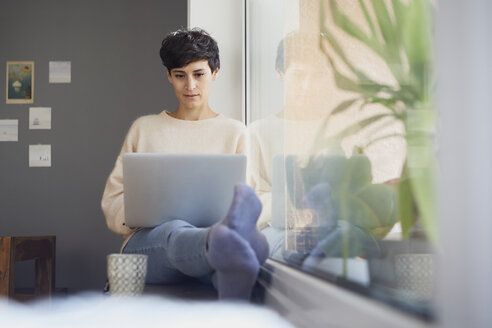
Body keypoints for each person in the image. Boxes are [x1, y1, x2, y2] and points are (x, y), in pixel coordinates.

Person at [101, 28, 268, 300]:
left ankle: (221, 258)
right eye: (180, 76)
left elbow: (248, 199)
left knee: (219, 259)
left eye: (199, 74)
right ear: (169, 76)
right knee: (173, 232)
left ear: (215, 73)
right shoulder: (145, 129)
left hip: (210, 244)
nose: (190, 86)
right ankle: (219, 244)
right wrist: (144, 215)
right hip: (151, 245)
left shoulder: (235, 132)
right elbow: (113, 202)